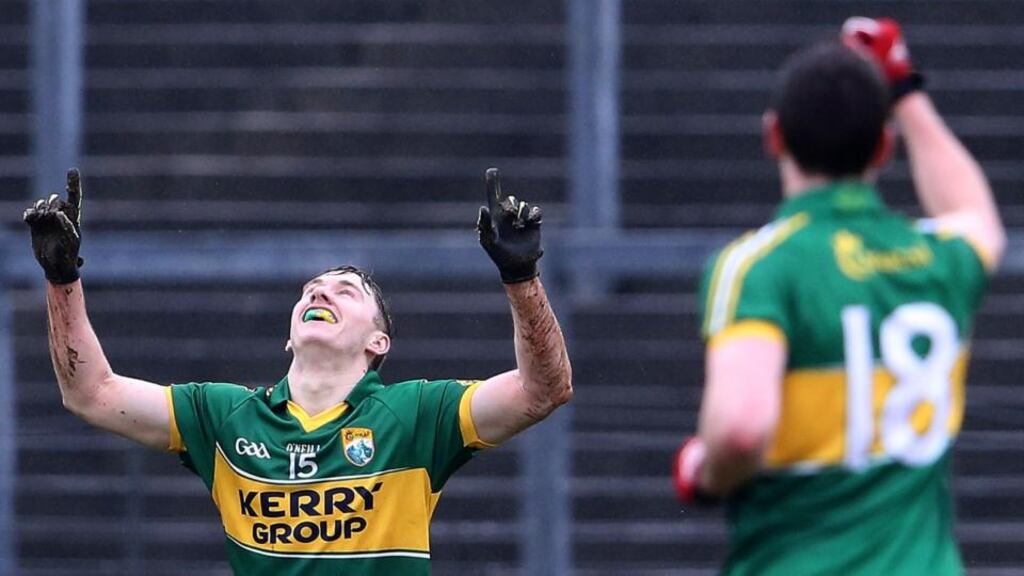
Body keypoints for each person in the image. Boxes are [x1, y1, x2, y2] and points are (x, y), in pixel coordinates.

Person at [23, 167, 572, 575]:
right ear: (289, 335)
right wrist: (62, 278)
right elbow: (91, 392)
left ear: (378, 342)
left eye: (345, 291)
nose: (320, 291)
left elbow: (543, 389)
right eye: (311, 290)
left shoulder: (417, 414)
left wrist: (520, 276)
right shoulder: (225, 416)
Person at [671, 17, 1004, 576]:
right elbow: (978, 220)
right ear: (884, 147)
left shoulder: (759, 267)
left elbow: (742, 426)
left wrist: (704, 470)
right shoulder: (937, 259)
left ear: (773, 136)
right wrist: (903, 90)